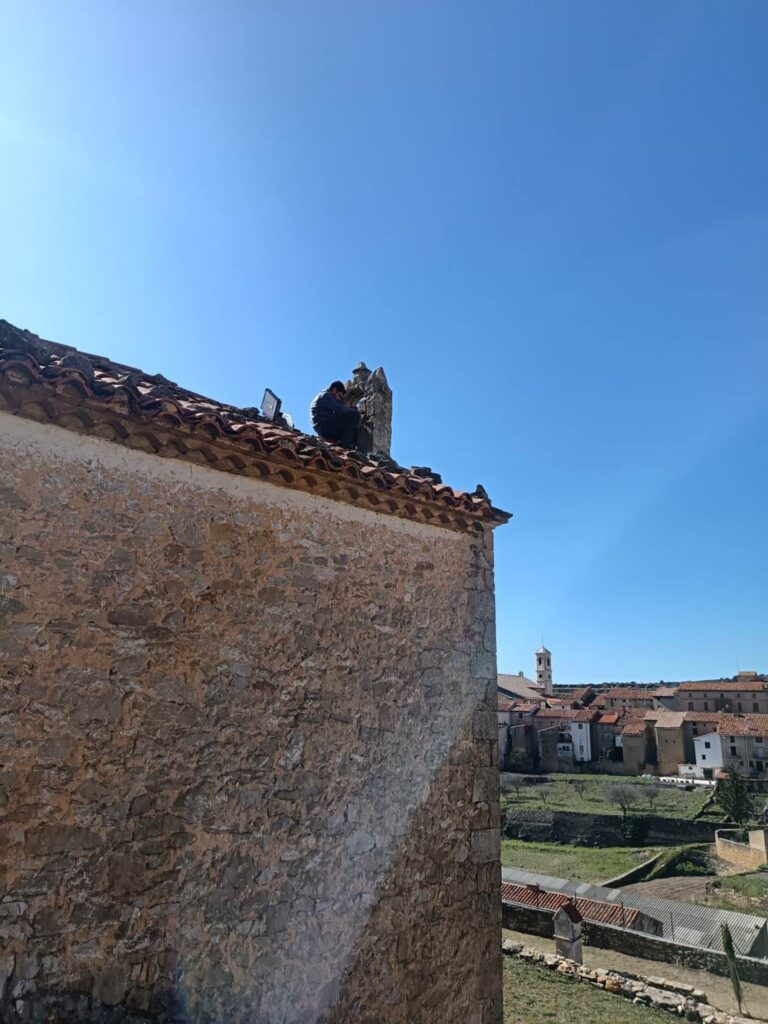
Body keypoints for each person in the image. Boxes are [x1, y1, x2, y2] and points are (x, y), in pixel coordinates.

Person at [310, 380, 361, 449]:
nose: (339, 399)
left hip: (324, 427)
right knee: (354, 414)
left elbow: (338, 411)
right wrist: (357, 411)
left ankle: (351, 445)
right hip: (324, 427)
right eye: (339, 395)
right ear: (334, 390)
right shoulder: (325, 395)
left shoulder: (325, 395)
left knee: (355, 429)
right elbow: (339, 408)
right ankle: (345, 444)